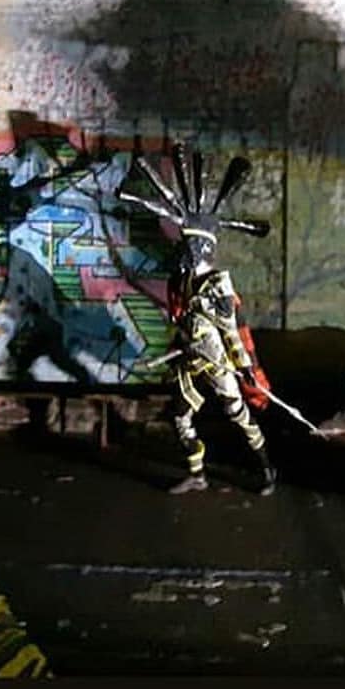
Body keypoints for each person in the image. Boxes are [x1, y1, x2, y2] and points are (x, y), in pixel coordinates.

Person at [117, 141, 275, 496]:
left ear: (201, 248)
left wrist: (245, 367)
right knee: (180, 416)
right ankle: (197, 473)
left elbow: (231, 331)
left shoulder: (217, 286)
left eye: (187, 245)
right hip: (190, 361)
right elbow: (183, 321)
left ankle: (267, 469)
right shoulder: (180, 282)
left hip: (217, 363)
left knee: (240, 416)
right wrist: (180, 344)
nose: (181, 251)